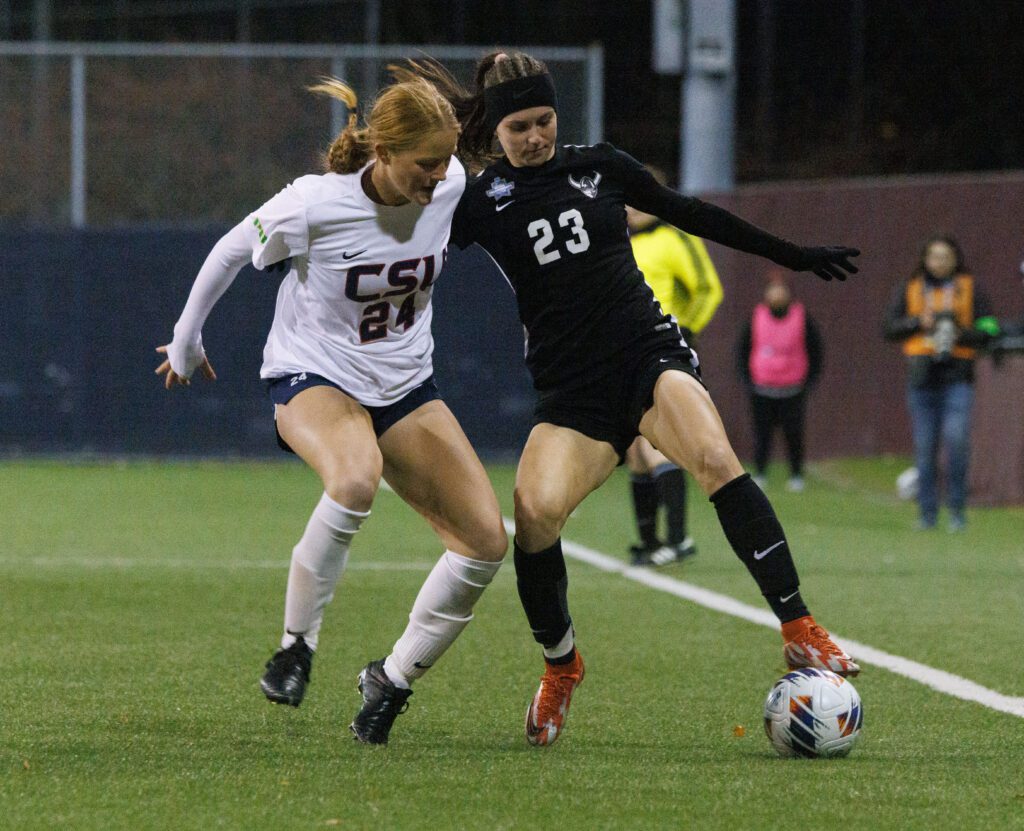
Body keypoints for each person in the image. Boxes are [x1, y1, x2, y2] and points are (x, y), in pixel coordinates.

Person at [408, 51, 862, 747]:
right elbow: (406, 240)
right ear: (494, 130)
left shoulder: (599, 166)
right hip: (570, 392)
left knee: (713, 454)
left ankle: (799, 627)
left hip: (647, 356)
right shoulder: (478, 200)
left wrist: (790, 254)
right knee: (534, 517)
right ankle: (562, 666)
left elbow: (695, 214)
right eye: (520, 126)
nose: (536, 136)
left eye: (545, 120)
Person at [155, 72, 507, 746]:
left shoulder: (452, 183)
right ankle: (295, 646)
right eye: (425, 164)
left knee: (486, 542)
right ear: (386, 150)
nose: (439, 176)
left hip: (404, 385)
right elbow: (232, 248)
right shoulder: (315, 204)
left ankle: (393, 678)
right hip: (312, 373)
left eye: (445, 161)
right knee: (353, 475)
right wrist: (186, 339)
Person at [623, 167, 724, 565]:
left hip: (660, 351)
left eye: (638, 198)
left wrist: (686, 329)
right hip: (625, 352)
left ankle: (677, 540)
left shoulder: (674, 237)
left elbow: (708, 288)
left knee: (654, 444)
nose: (630, 207)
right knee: (635, 448)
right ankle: (649, 541)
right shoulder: (620, 240)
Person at [883, 234, 998, 531]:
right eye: (934, 256)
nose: (940, 262)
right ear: (925, 259)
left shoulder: (970, 288)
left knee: (957, 441)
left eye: (945, 256)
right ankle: (927, 513)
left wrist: (961, 331)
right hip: (922, 376)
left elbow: (990, 327)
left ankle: (957, 510)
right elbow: (888, 328)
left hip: (957, 375)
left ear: (955, 259)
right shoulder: (910, 289)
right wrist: (917, 323)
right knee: (925, 447)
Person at [736, 270, 823, 492]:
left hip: (792, 388)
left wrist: (809, 380)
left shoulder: (801, 317)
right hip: (762, 388)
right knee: (762, 434)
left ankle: (796, 475)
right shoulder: (756, 316)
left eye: (781, 290)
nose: (777, 295)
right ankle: (760, 472)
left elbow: (815, 349)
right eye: (772, 290)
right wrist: (747, 380)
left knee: (793, 434)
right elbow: (743, 349)